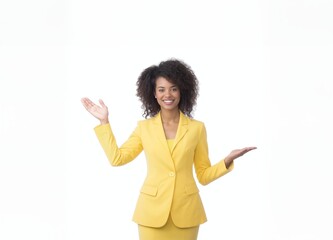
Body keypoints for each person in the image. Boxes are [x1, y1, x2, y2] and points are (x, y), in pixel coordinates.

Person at [81, 58, 256, 240]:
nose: (168, 94)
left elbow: (203, 175)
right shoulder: (144, 128)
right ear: (154, 94)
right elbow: (117, 158)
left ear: (182, 91)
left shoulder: (197, 128)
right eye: (161, 89)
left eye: (173, 88)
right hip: (151, 213)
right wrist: (104, 122)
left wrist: (227, 160)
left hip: (186, 213)